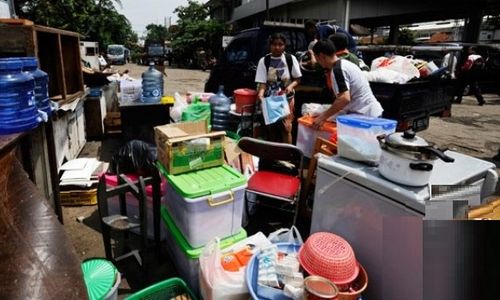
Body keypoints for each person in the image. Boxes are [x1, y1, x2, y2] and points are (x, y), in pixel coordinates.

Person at [311, 40, 383, 129]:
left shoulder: (337, 70)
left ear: (321, 56)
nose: (317, 62)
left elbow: (344, 98)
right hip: (369, 113)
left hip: (366, 118)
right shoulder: (346, 64)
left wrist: (323, 117)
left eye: (316, 58)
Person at [255, 33, 302, 144]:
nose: (277, 47)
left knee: (286, 128)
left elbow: (298, 79)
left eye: (280, 44)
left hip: (286, 99)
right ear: (270, 46)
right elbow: (262, 83)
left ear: (284, 46)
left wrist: (290, 86)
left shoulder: (290, 59)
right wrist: (260, 95)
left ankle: (287, 156)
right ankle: (273, 155)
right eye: (274, 44)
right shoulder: (264, 61)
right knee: (271, 129)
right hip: (270, 100)